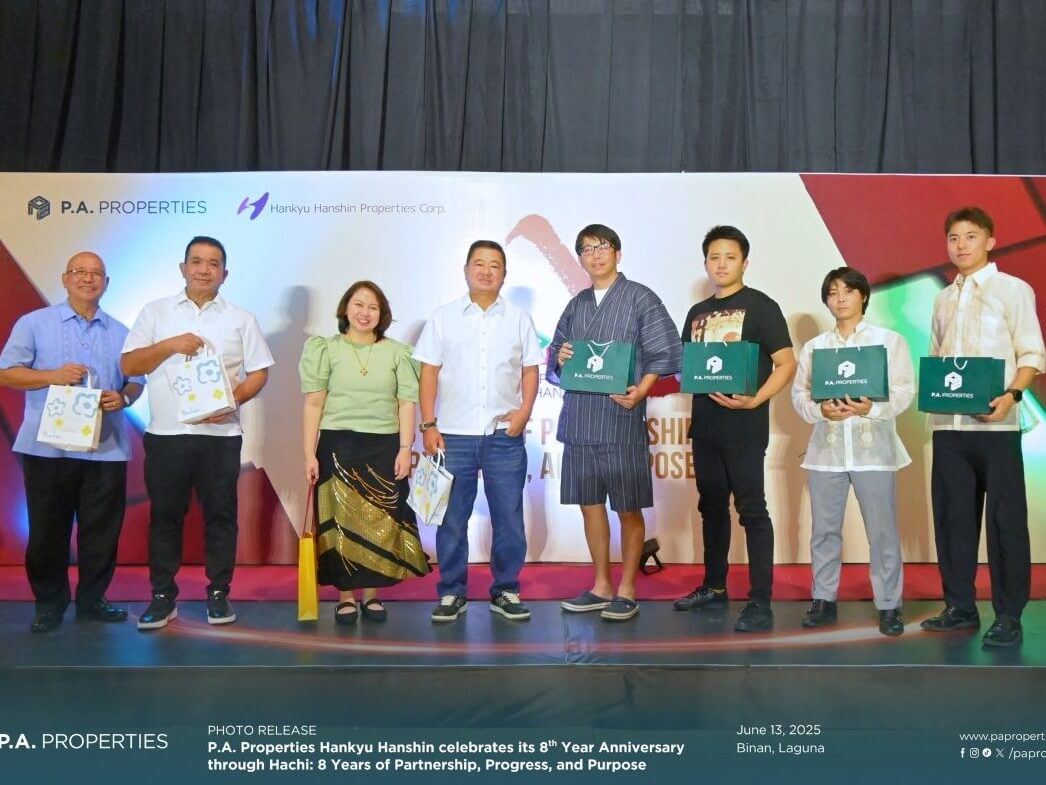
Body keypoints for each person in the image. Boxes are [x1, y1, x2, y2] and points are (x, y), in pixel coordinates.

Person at [121, 236, 274, 630]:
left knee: (221, 517)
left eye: (213, 263)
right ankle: (161, 597)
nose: (204, 269)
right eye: (197, 261)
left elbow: (259, 372)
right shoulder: (155, 312)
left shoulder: (241, 318)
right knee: (165, 517)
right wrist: (170, 345)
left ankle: (219, 595)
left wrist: (232, 400)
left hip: (220, 437)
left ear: (225, 273)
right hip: (166, 435)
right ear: (183, 268)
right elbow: (129, 362)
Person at [0, 252, 144, 633]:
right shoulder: (34, 324)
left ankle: (93, 599)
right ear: (65, 279)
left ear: (107, 283)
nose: (88, 278)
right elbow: (6, 373)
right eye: (80, 272)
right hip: (48, 448)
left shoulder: (121, 332)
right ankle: (49, 603)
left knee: (102, 531)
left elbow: (137, 380)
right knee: (48, 530)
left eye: (96, 273)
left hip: (105, 447)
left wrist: (124, 397)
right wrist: (52, 376)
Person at [920, 207, 1045, 647]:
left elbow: (1031, 354)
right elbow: (937, 359)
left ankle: (1008, 614)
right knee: (953, 518)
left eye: (970, 236)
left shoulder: (1013, 291)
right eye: (953, 237)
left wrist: (1011, 396)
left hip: (997, 426)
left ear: (990, 241)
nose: (961, 245)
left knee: (1006, 522)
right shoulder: (942, 298)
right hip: (948, 425)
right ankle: (960, 606)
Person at [550, 224, 681, 622]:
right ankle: (601, 585)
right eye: (587, 249)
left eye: (603, 246)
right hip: (580, 421)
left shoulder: (640, 298)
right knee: (590, 506)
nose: (596, 254)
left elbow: (664, 351)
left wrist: (641, 390)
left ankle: (626, 587)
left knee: (627, 508)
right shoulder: (576, 305)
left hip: (621, 419)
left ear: (618, 253)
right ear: (580, 258)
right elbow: (556, 357)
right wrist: (560, 356)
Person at [674, 225, 795, 632]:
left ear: (745, 261)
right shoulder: (696, 313)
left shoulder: (762, 307)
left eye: (729, 256)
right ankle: (714, 585)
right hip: (705, 428)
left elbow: (786, 363)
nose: (721, 264)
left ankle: (760, 600)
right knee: (711, 508)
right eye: (714, 257)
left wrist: (757, 398)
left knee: (752, 510)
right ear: (705, 262)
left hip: (745, 426)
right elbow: (689, 368)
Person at [414, 240, 542, 623]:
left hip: (504, 435)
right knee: (452, 519)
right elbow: (428, 372)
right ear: (466, 269)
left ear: (505, 274)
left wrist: (524, 412)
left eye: (495, 265)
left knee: (509, 517)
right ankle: (452, 592)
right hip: (452, 436)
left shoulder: (519, 318)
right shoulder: (443, 316)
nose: (487, 271)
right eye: (479, 264)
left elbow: (531, 369)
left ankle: (505, 589)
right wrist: (429, 424)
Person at [791, 267, 914, 637]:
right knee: (824, 531)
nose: (840, 298)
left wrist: (870, 409)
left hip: (873, 450)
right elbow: (799, 395)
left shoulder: (888, 341)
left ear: (863, 296)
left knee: (882, 532)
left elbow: (905, 390)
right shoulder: (815, 348)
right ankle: (824, 599)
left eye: (847, 291)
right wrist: (820, 411)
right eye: (832, 292)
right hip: (826, 451)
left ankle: (889, 604)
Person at [300, 281, 430, 625]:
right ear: (345, 308)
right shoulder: (325, 349)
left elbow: (406, 403)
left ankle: (372, 594)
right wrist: (308, 454)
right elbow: (314, 403)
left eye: (372, 307)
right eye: (358, 305)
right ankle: (345, 596)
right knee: (340, 524)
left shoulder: (398, 352)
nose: (364, 313)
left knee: (380, 524)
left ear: (381, 314)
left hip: (384, 446)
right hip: (336, 446)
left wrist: (406, 448)